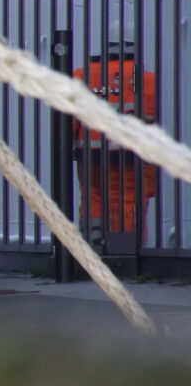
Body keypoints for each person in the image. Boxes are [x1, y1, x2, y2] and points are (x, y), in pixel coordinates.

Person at [73, 18, 157, 246]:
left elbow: (70, 119)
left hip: (89, 154)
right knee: (130, 200)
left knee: (93, 198)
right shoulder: (147, 79)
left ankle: (93, 246)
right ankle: (127, 249)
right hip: (131, 155)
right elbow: (152, 119)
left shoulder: (81, 76)